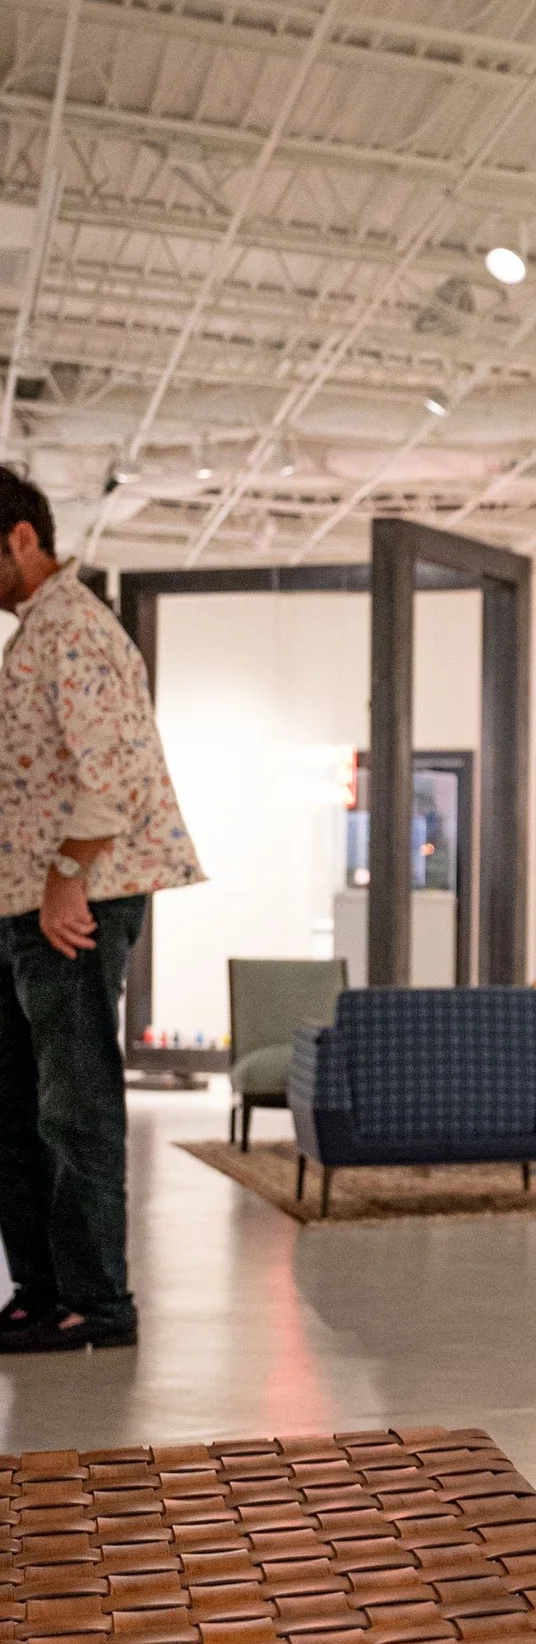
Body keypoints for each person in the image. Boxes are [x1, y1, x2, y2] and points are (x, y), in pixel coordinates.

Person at [0, 465, 205, 1352]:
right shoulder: (36, 634)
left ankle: (97, 1301)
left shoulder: (75, 630)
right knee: (20, 1102)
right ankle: (43, 1288)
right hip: (28, 904)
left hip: (73, 902)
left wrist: (65, 877)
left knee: (75, 1103)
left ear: (20, 538)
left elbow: (110, 776)